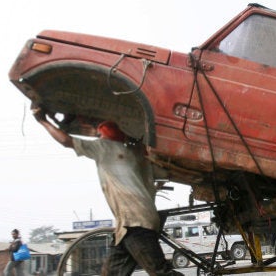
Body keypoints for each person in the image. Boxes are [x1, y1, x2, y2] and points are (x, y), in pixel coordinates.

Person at [32, 105, 180, 276]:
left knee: (161, 272)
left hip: (135, 222)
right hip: (126, 227)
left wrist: (43, 120)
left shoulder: (104, 148)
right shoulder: (135, 154)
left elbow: (66, 141)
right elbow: (164, 172)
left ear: (103, 134)